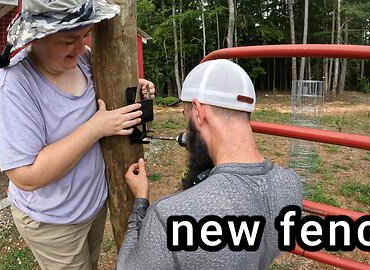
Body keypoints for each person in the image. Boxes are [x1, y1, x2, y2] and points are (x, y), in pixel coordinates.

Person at [0, 0, 155, 269]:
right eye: (68, 40)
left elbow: (107, 93)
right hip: (53, 222)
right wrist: (96, 127)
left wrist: (134, 87)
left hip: (92, 204)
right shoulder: (12, 88)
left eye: (84, 35)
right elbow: (26, 176)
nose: (80, 47)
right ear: (37, 37)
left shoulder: (84, 59)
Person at [118, 59, 303, 270]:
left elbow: (126, 266)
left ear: (198, 111)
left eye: (185, 116)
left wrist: (141, 203)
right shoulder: (291, 184)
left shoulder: (170, 216)